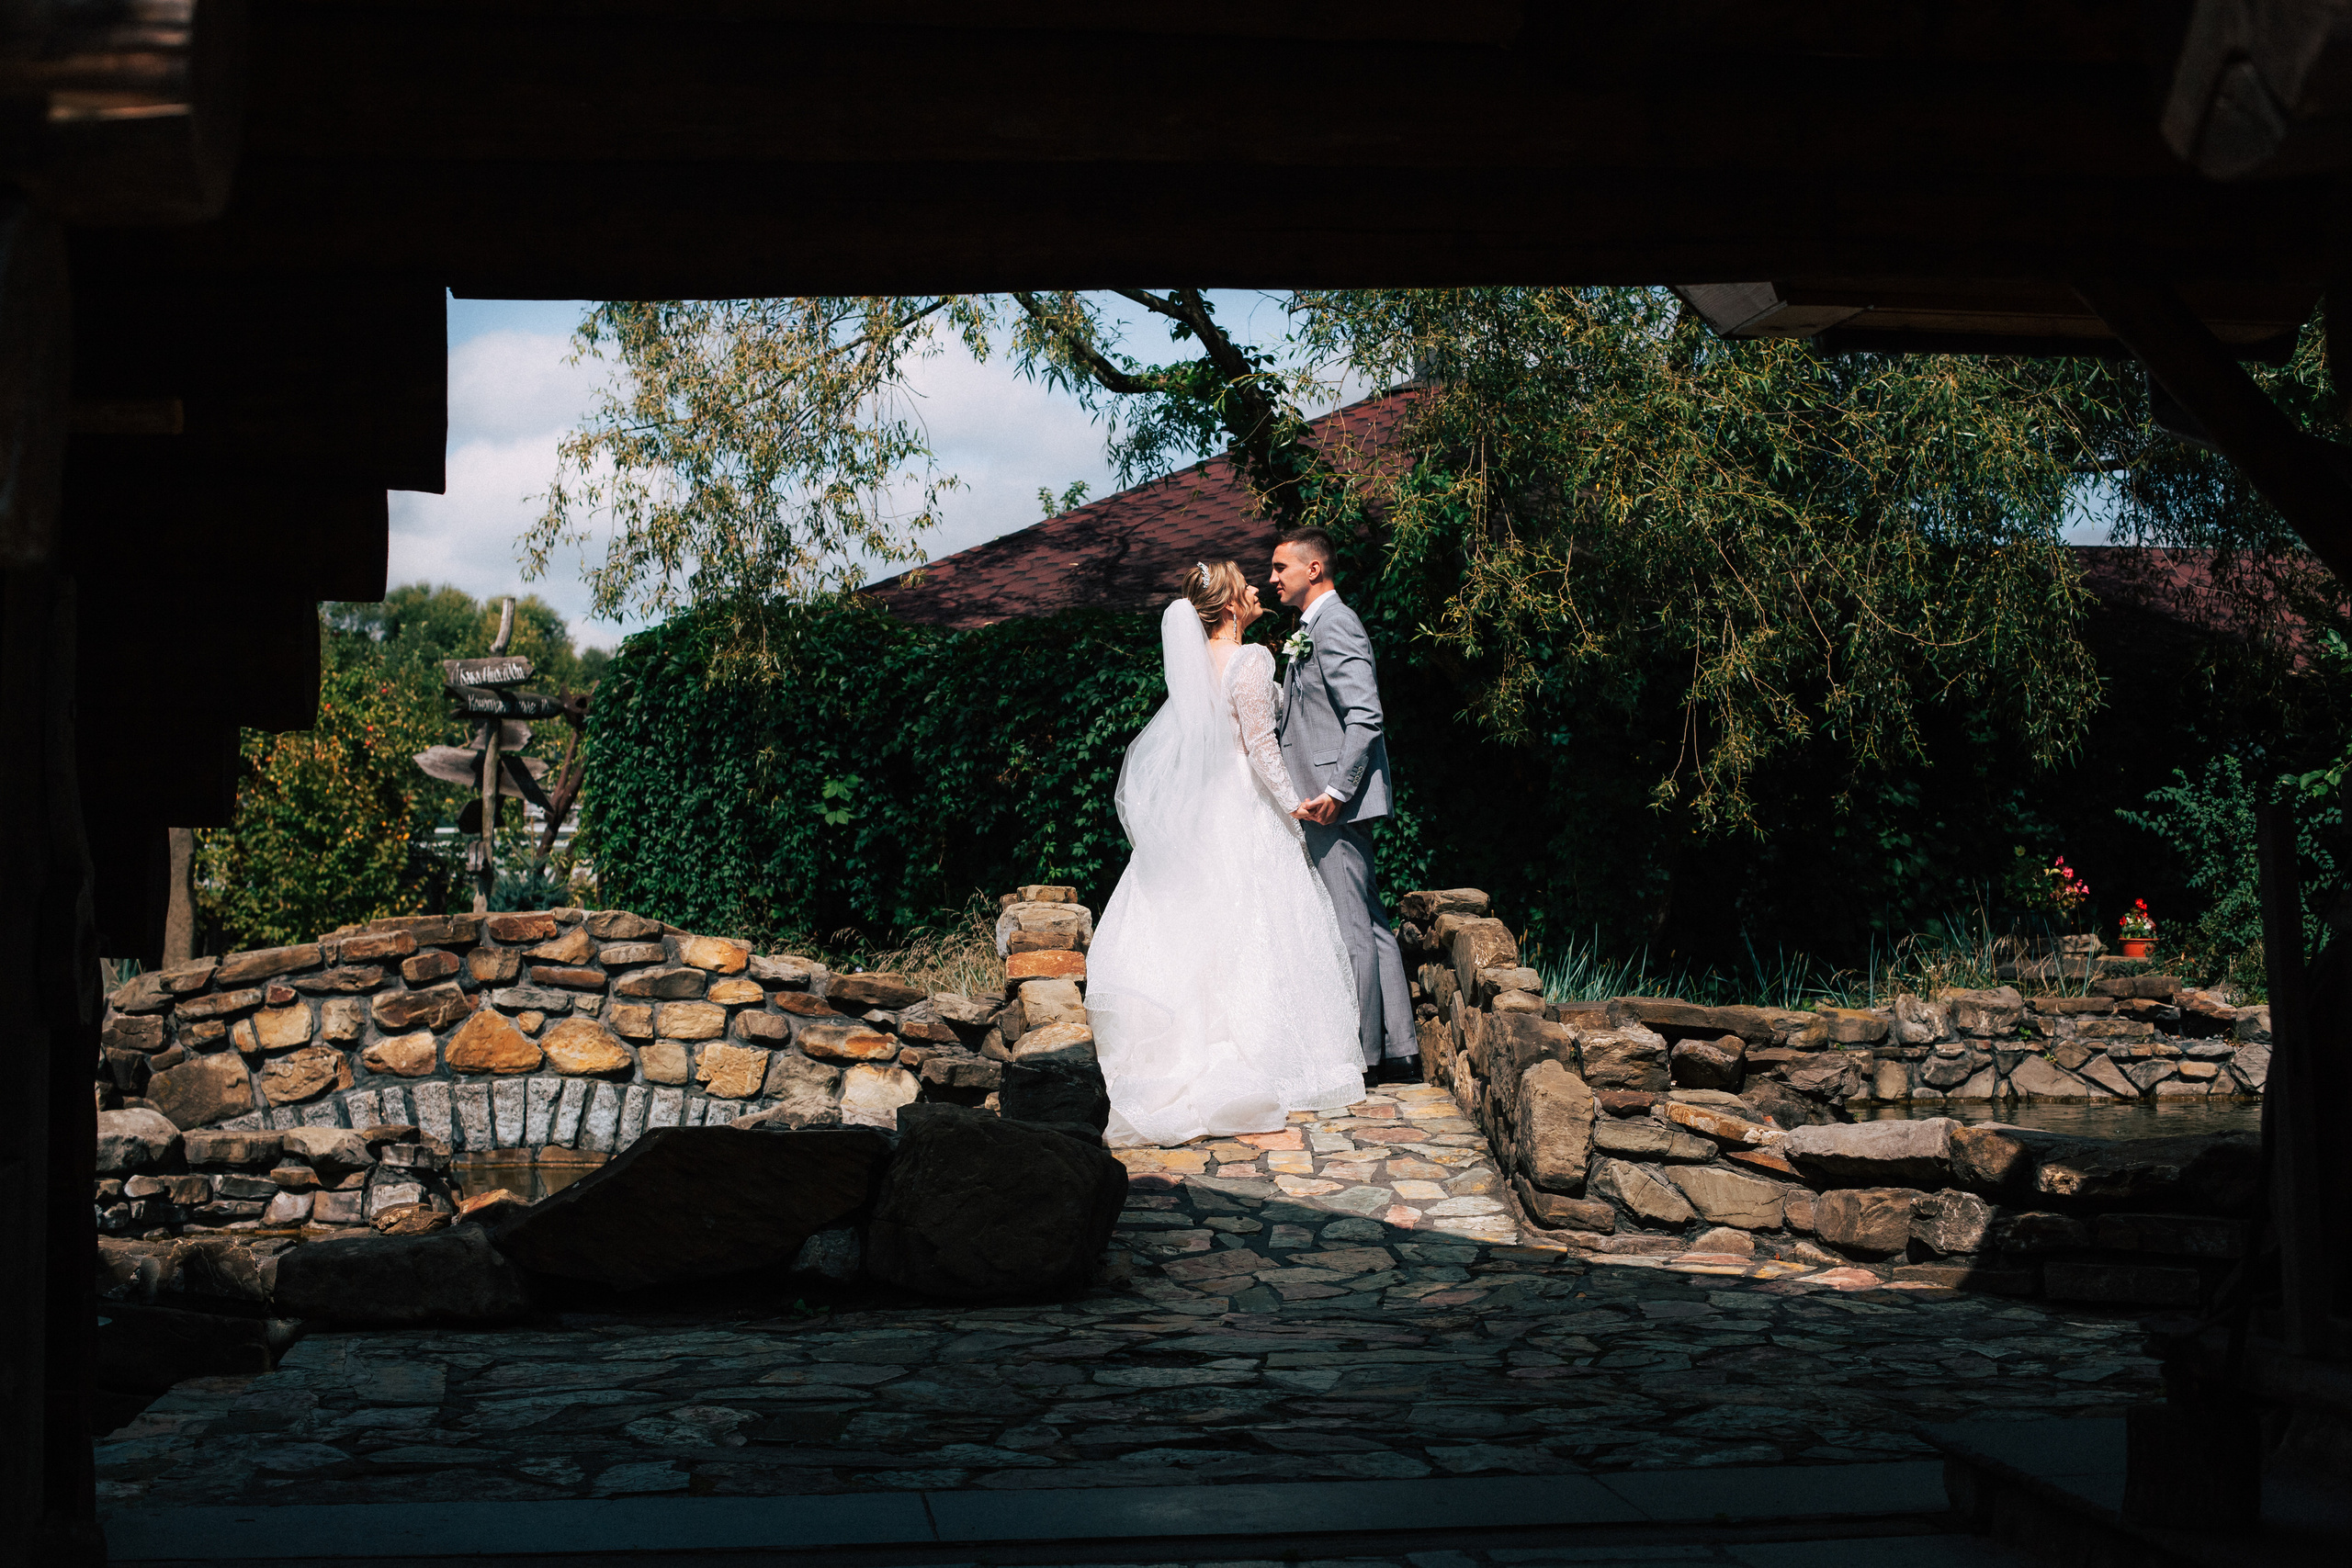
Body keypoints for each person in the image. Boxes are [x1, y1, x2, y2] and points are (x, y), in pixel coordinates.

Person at [1086, 561, 1368, 1146]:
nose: (1258, 587)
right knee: (1259, 924)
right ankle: (1270, 1057)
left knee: (1206, 928)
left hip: (1201, 809)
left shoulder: (1195, 668)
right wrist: (1296, 803)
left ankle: (1197, 1046)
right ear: (1233, 607)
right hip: (1243, 803)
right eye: (1247, 583)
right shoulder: (1252, 659)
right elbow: (1261, 746)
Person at [1268, 527, 1419, 1085]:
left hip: (1332, 801)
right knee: (1372, 924)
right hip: (1327, 796)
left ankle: (1366, 1056)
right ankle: (1399, 1046)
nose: (1272, 577)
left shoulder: (1336, 623)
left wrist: (1335, 792)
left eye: (1281, 567)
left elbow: (1365, 715)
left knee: (1350, 926)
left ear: (1313, 570)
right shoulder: (1308, 628)